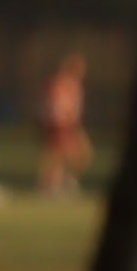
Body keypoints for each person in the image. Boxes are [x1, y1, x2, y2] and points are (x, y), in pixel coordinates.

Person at [36, 52, 90, 197]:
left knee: (82, 154)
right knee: (57, 154)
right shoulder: (59, 83)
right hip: (59, 123)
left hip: (72, 124)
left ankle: (65, 181)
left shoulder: (76, 85)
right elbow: (53, 104)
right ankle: (50, 185)